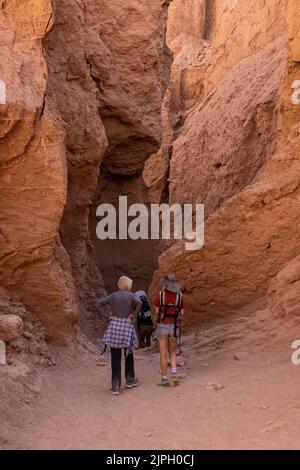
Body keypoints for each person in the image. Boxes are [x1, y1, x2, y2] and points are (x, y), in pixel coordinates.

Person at [96, 276, 142, 395]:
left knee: (115, 357)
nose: (131, 286)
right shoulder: (131, 296)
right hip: (126, 326)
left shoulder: (113, 296)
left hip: (115, 326)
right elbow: (140, 302)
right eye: (130, 284)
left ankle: (115, 386)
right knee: (128, 354)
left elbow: (98, 304)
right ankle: (130, 380)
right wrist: (134, 315)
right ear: (127, 285)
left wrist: (107, 317)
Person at [153, 274, 185, 387]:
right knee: (172, 352)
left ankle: (164, 379)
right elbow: (182, 313)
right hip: (175, 326)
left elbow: (157, 311)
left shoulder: (160, 295)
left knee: (163, 354)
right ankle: (174, 374)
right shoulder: (180, 296)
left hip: (162, 325)